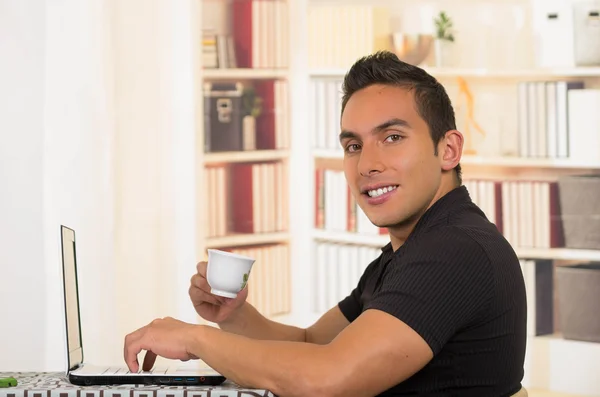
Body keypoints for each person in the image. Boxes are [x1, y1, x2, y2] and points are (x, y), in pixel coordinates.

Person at [123, 50, 527, 396]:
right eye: (354, 145)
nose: (367, 164)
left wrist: (196, 339)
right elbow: (311, 343)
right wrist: (234, 317)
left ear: (448, 149)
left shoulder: (453, 252)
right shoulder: (408, 252)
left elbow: (327, 379)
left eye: (392, 137)